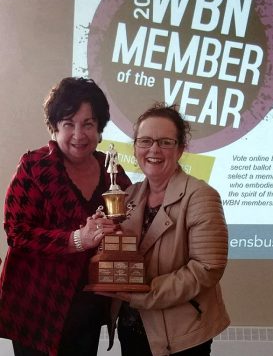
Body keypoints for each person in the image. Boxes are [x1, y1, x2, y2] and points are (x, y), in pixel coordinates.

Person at [0, 77, 131, 356]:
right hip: (36, 306)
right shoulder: (34, 167)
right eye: (69, 123)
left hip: (88, 303)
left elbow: (131, 220)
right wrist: (77, 240)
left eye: (88, 124)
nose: (79, 134)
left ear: (99, 128)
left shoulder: (114, 174)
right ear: (55, 127)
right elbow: (17, 232)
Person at [107, 103, 230, 356]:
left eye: (165, 142)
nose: (154, 150)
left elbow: (207, 268)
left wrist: (143, 294)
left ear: (180, 149)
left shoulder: (201, 196)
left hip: (181, 337)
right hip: (131, 329)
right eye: (145, 141)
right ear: (135, 147)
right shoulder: (129, 195)